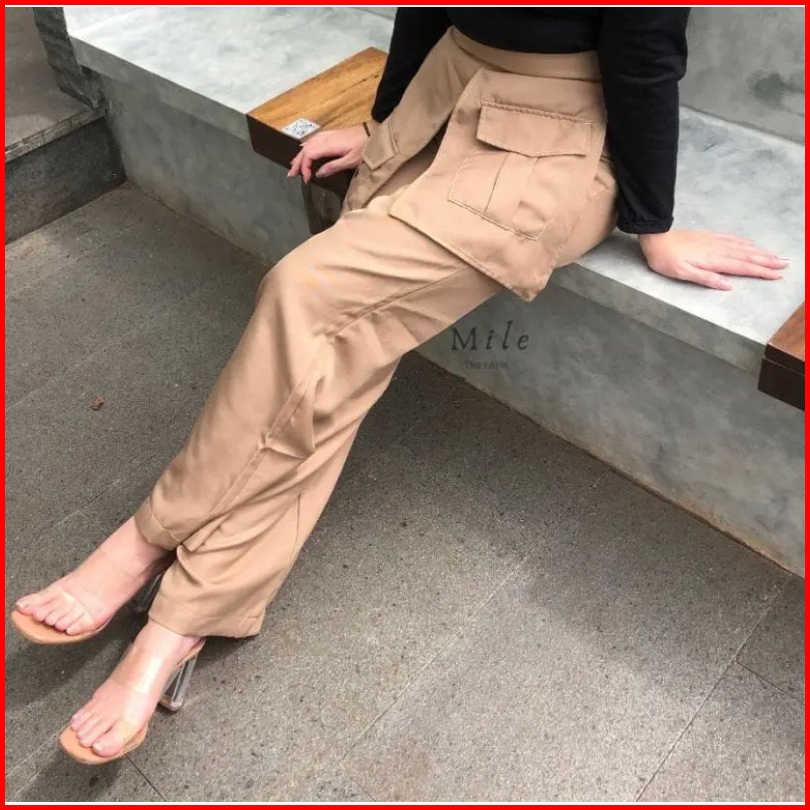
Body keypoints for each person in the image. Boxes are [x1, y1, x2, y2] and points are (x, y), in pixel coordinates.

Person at [12, 8, 788, 765]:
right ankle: (187, 617)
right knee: (329, 360)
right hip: (443, 96)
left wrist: (654, 223)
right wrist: (385, 123)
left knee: (306, 296)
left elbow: (645, 55)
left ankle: (147, 542)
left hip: (559, 139)